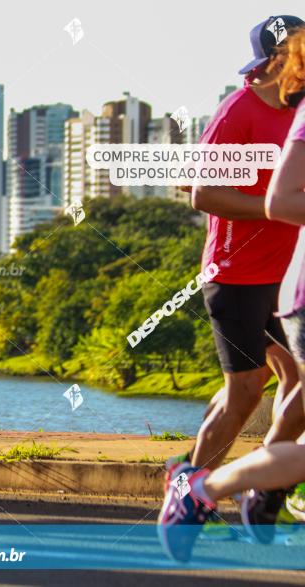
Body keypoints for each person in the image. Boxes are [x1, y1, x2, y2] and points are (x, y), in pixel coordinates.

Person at [159, 24, 305, 563]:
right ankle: (192, 490)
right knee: (247, 387)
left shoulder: (297, 110)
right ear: (274, 57)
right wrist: (275, 207)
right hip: (237, 273)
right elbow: (202, 192)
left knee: (297, 379)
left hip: (287, 274)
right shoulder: (239, 111)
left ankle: (265, 487)